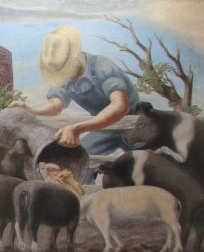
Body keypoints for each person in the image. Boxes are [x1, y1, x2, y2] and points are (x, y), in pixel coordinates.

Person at [9, 25, 140, 162]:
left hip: (134, 123)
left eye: (65, 69)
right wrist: (32, 111)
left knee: (144, 162)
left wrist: (78, 128)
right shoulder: (65, 77)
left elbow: (120, 106)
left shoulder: (102, 66)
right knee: (78, 160)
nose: (63, 74)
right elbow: (56, 105)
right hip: (102, 125)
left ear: (75, 56)